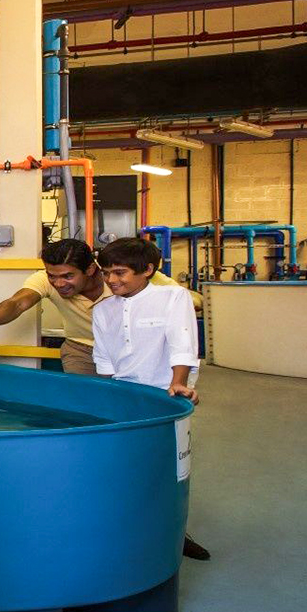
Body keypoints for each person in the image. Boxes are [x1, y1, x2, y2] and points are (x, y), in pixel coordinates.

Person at [92, 236, 211, 561]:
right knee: (125, 467)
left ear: (147, 270)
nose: (112, 280)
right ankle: (130, 532)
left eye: (119, 273)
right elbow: (103, 359)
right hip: (124, 397)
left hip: (164, 397)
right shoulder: (103, 310)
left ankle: (175, 535)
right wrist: (106, 400)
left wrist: (178, 385)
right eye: (107, 273)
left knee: (170, 468)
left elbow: (182, 341)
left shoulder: (172, 297)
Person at [0, 238, 197, 375]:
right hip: (81, 349)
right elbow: (17, 303)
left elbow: (187, 301)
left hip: (130, 350)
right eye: (52, 276)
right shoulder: (47, 280)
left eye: (68, 276)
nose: (58, 283)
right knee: (90, 401)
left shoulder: (126, 281)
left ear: (91, 270)